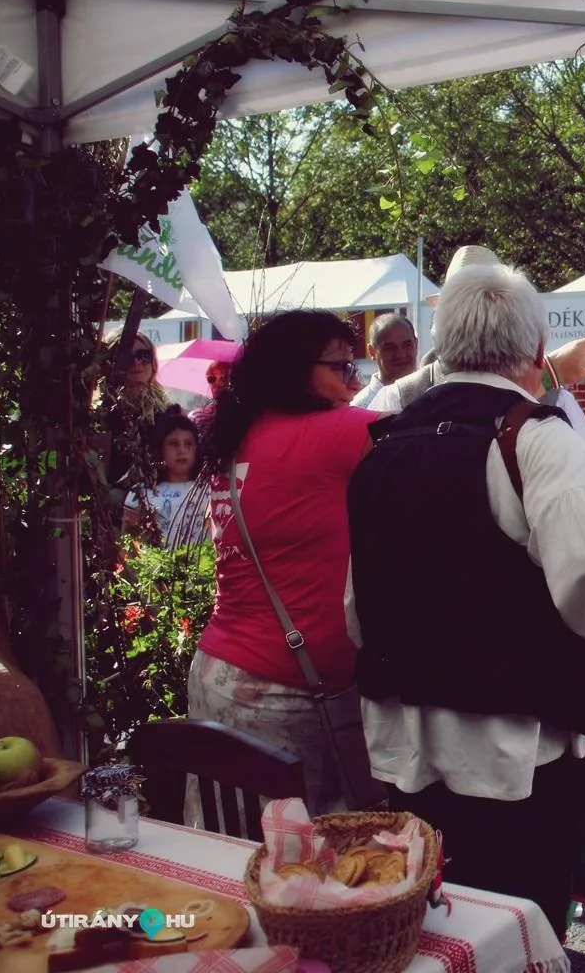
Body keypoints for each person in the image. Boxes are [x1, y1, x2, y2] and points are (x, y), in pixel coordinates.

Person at [345, 259, 585, 939]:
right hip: (510, 749)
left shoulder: (385, 443)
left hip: (404, 736)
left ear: (443, 347)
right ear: (538, 351)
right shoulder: (533, 437)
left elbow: (359, 607)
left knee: (434, 927)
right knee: (514, 927)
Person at [192, 310, 374, 814]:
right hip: (277, 696)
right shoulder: (334, 433)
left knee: (232, 843)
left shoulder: (240, 435)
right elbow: (436, 428)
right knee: (289, 854)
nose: (354, 383)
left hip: (224, 675)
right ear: (296, 371)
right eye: (342, 367)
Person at [372, 247, 585, 467]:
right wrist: (549, 374)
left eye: (487, 309)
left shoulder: (397, 397)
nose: (480, 322)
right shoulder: (397, 396)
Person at [98, 329, 180, 502]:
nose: (136, 362)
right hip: (113, 510)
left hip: (163, 507)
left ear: (153, 361)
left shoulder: (171, 414)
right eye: (127, 357)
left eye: (144, 355)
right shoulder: (101, 417)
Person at [123, 412, 211, 548]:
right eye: (173, 444)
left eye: (188, 443)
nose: (181, 450)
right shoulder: (142, 493)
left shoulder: (210, 490)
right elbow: (128, 546)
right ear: (160, 449)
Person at [351, 314, 418, 409]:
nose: (401, 354)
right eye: (390, 348)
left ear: (416, 345)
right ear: (372, 352)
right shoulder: (361, 408)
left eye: (407, 345)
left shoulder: (430, 395)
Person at [190, 360, 231, 440]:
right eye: (211, 379)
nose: (217, 383)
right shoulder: (197, 416)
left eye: (224, 378)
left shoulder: (244, 413)